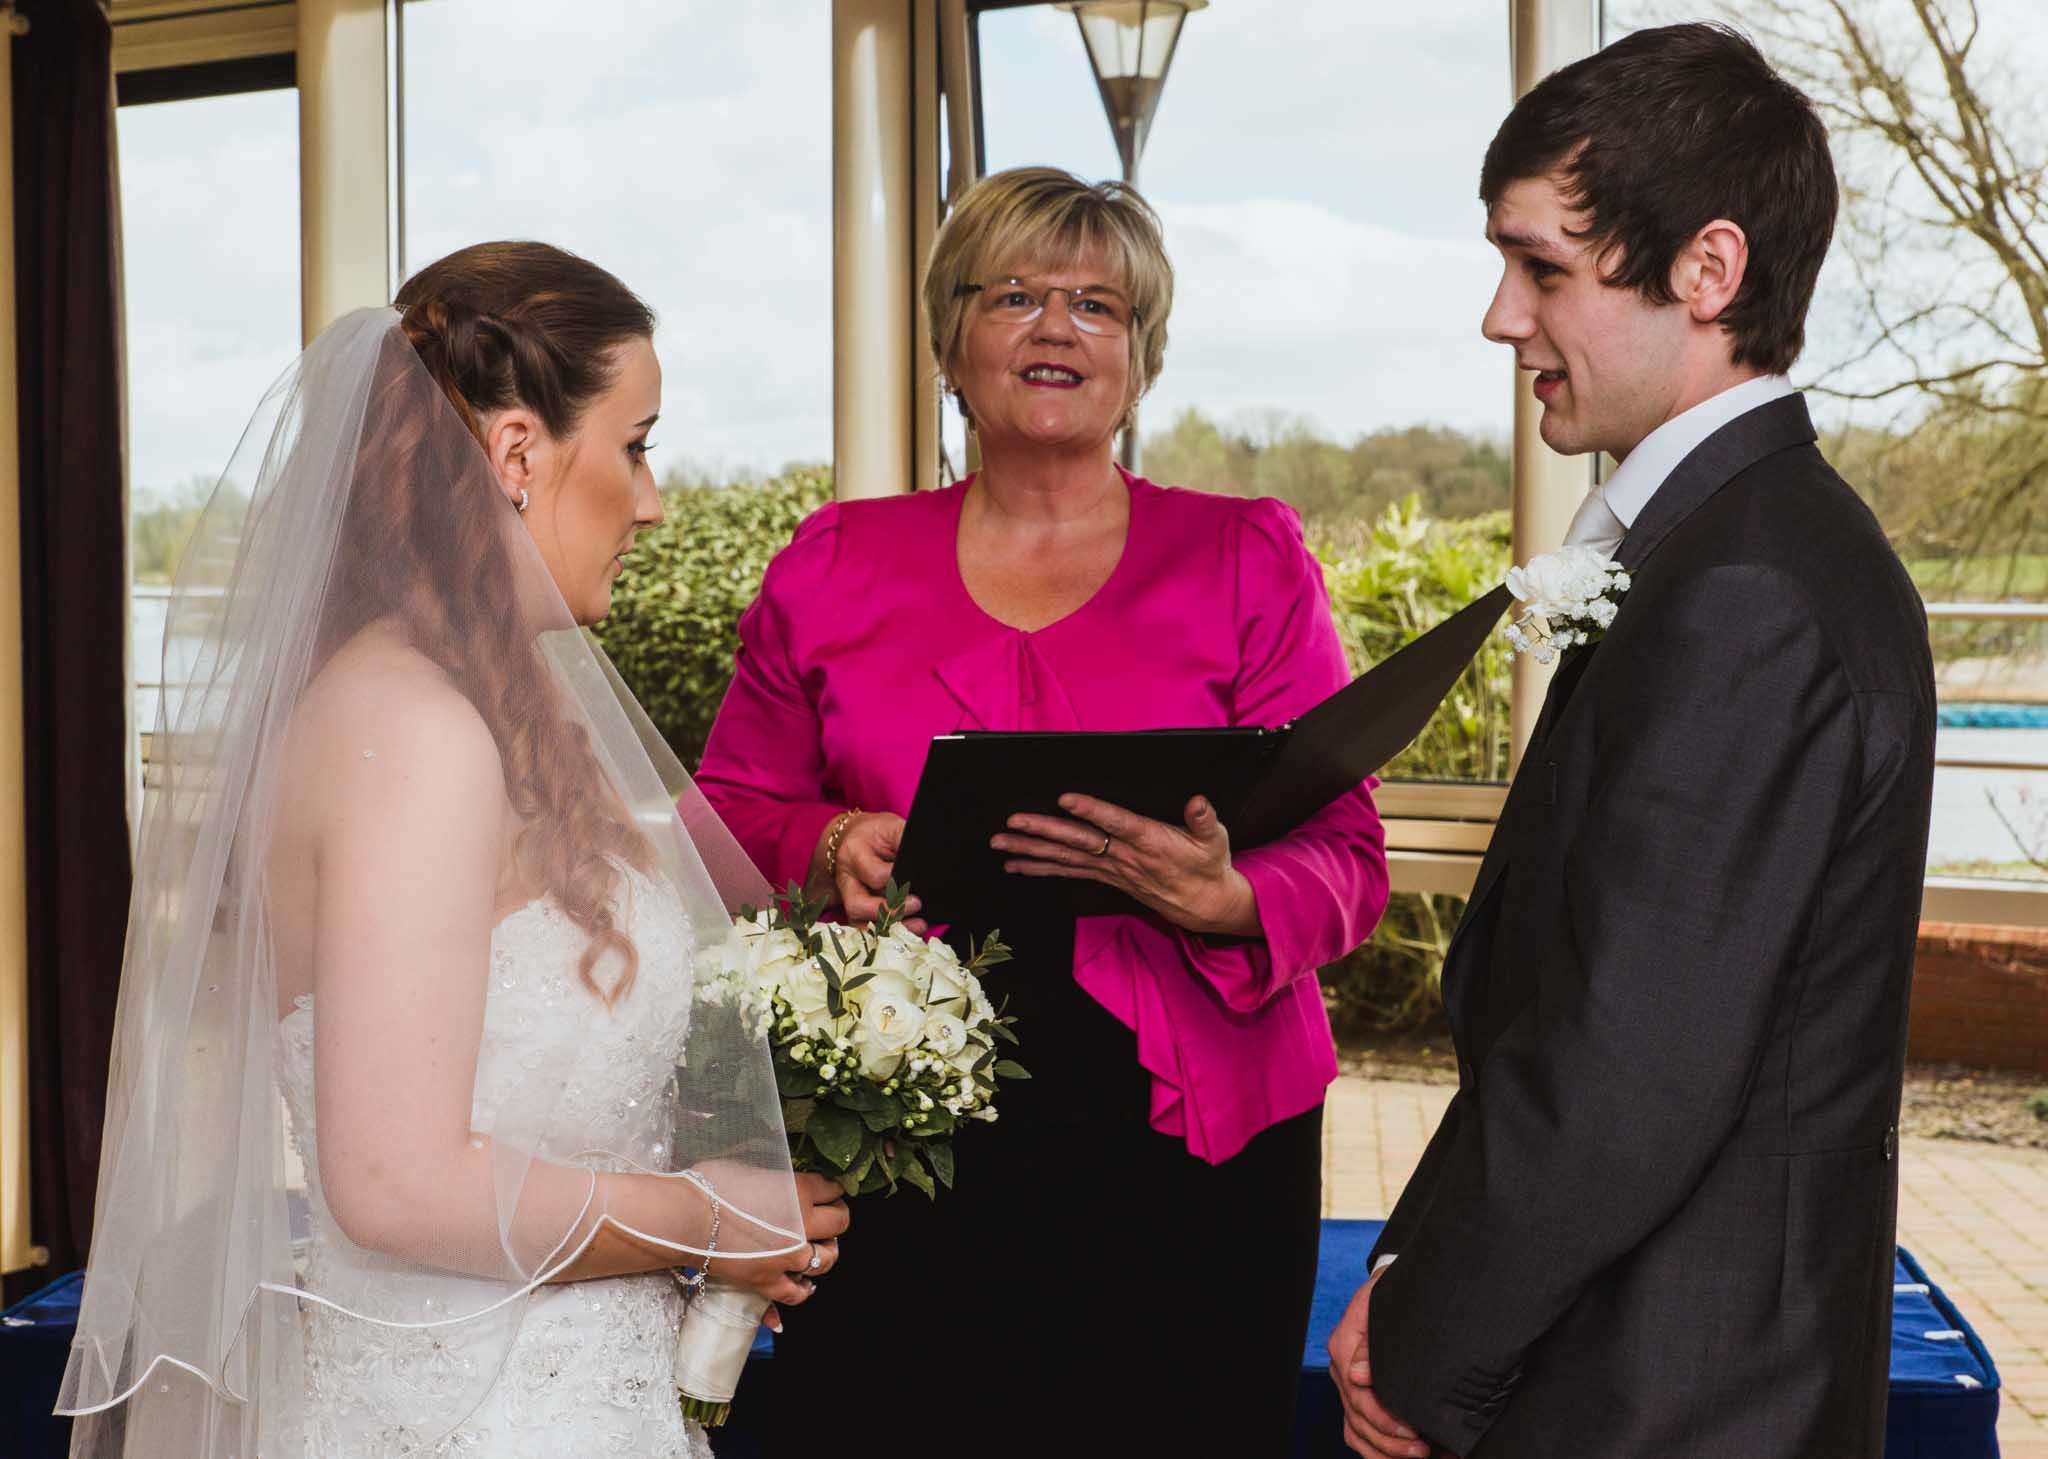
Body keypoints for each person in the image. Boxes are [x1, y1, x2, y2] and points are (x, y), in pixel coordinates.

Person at [57, 243, 849, 1459]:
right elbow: (394, 1181)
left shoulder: (501, 714)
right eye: (635, 444)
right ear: (520, 453)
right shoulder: (410, 729)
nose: (652, 501)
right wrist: (700, 1217)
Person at [695, 165, 1389, 1455]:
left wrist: (1232, 898)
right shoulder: (834, 561)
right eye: (1013, 294)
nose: (1056, 327)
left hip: (1192, 1147)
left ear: (1142, 355)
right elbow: (727, 807)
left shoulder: (1246, 556)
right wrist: (830, 839)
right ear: (951, 344)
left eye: (1099, 305)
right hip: (898, 1127)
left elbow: (1346, 851)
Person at [1327, 24, 1936, 1459]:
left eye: (1543, 266)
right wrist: (1401, 1275)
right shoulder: (1750, 546)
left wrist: (1420, 1353)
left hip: (1665, 1398)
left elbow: (1626, 1073)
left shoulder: (1745, 591)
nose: (1498, 315)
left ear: (1707, 271)